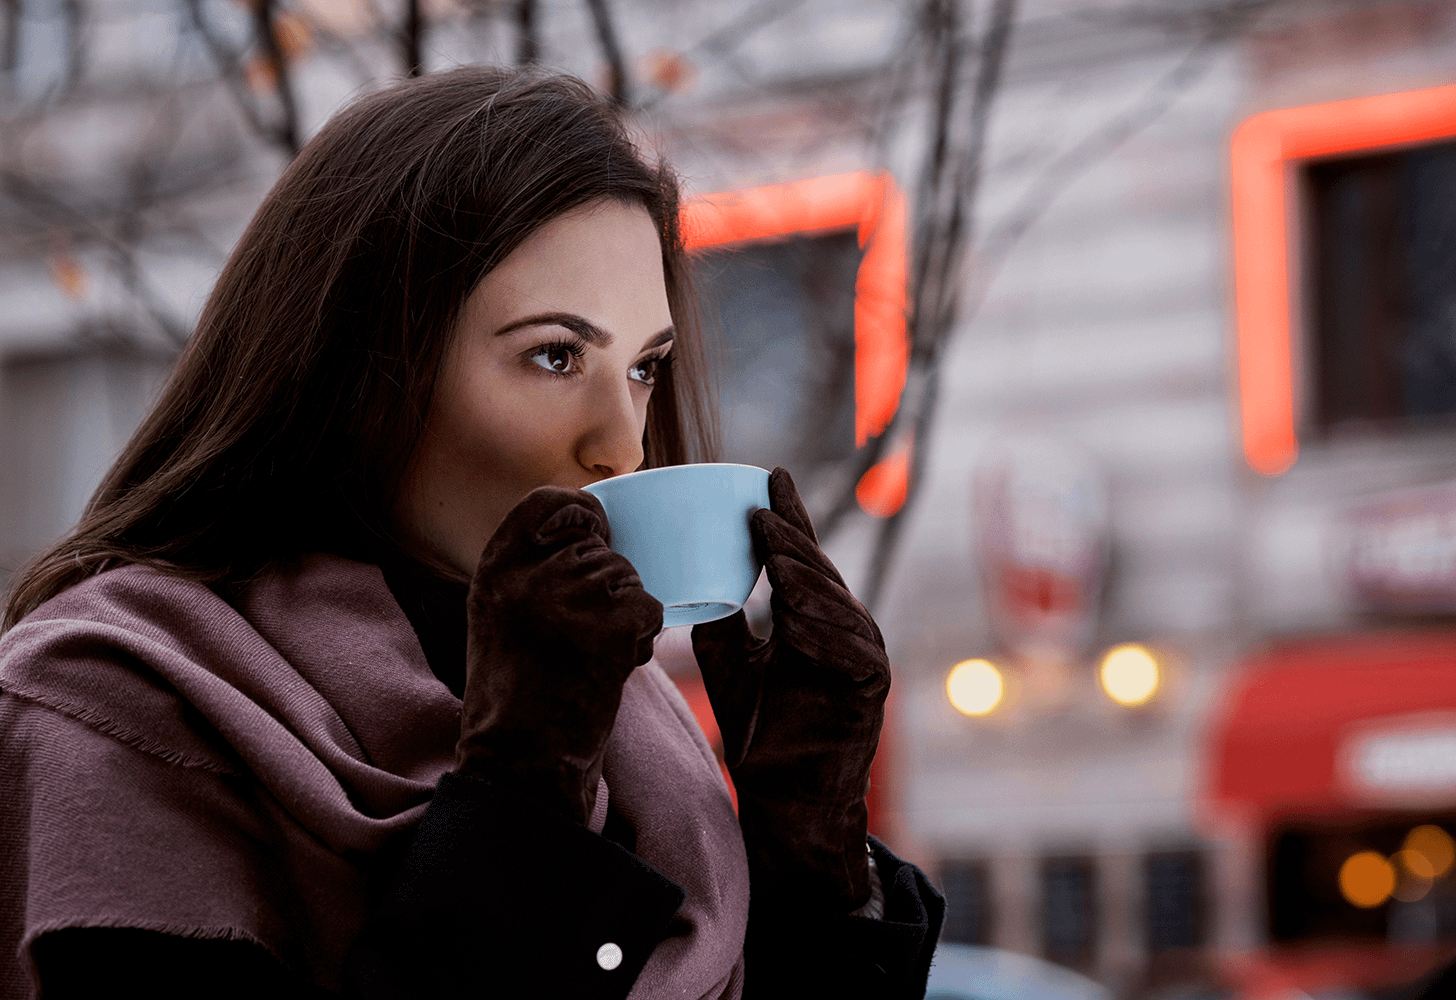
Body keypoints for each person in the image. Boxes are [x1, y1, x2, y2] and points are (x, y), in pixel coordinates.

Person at [0, 67, 943, 999]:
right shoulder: (119, 697)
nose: (623, 445)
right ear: (359, 370)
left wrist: (810, 852)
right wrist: (526, 791)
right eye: (555, 355)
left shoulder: (638, 735)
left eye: (645, 368)